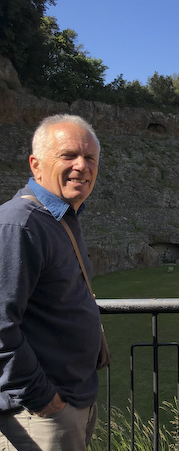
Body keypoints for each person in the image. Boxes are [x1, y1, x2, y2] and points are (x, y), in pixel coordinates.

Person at [0, 115, 103, 450]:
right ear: (36, 165)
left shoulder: (62, 218)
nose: (81, 166)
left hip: (71, 402)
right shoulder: (21, 225)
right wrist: (44, 399)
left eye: (90, 158)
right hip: (40, 414)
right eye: (68, 155)